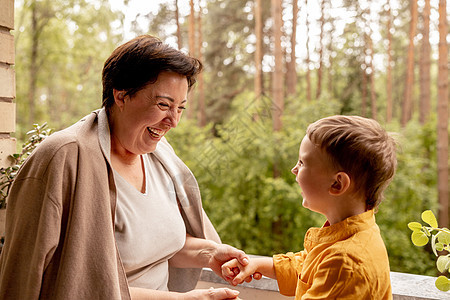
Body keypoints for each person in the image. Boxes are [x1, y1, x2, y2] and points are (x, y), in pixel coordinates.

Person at [0, 35, 253, 299]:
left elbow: (156, 246)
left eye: (180, 108)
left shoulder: (160, 156)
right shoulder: (62, 159)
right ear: (121, 96)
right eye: (163, 105)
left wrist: (209, 253)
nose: (173, 121)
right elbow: (56, 283)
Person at [222, 115, 397, 299]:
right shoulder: (348, 236)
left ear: (337, 183)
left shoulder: (346, 264)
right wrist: (257, 265)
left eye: (302, 162)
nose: (294, 170)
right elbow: (307, 266)